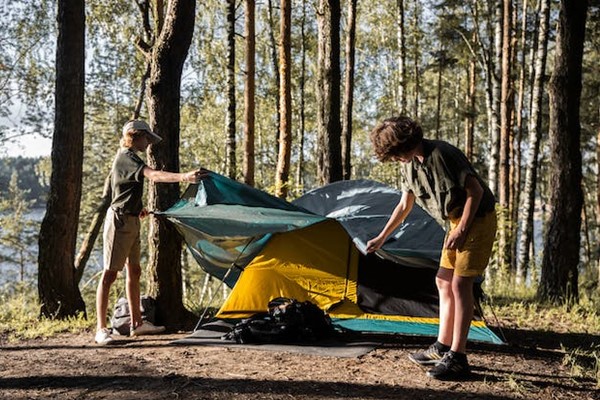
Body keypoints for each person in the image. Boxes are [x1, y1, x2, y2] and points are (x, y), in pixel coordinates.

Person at [366, 116, 497, 380]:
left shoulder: (443, 153)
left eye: (395, 153)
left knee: (461, 284)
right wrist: (381, 237)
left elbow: (475, 192)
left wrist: (461, 230)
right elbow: (404, 206)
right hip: (455, 221)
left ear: (405, 143)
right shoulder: (409, 165)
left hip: (478, 218)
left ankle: (458, 357)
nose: (395, 159)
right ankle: (442, 346)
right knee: (443, 280)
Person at [95, 119, 206, 345]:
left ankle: (137, 324)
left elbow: (124, 189)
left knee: (134, 271)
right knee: (110, 274)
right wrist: (185, 176)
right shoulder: (126, 156)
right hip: (119, 223)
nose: (148, 143)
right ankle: (101, 329)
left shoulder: (133, 157)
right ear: (134, 136)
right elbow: (154, 176)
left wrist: (138, 209)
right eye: (146, 138)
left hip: (132, 219)